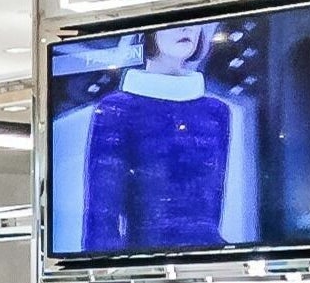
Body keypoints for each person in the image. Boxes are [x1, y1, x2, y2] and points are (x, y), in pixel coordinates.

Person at [74, 23, 257, 255]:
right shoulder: (117, 109)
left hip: (208, 263)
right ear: (149, 31)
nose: (187, 29)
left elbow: (211, 214)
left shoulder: (216, 112)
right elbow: (101, 221)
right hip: (145, 264)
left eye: (193, 22)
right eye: (174, 23)